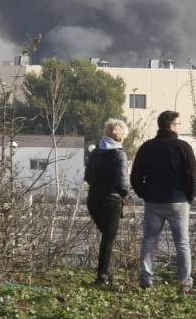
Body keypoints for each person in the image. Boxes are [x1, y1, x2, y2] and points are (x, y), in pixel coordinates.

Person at [130, 110, 196, 290]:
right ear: (171, 126)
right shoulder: (183, 147)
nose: (179, 127)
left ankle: (146, 278)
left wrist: (143, 193)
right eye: (178, 124)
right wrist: (189, 196)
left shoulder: (146, 147)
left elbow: (136, 175)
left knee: (149, 241)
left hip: (153, 201)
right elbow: (191, 175)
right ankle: (185, 282)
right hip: (178, 202)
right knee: (182, 243)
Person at [84, 118, 130, 285]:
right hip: (111, 201)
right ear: (121, 136)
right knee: (108, 239)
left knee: (106, 237)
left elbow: (87, 177)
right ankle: (102, 275)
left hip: (93, 199)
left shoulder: (95, 152)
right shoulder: (120, 154)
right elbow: (123, 182)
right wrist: (126, 194)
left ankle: (104, 273)